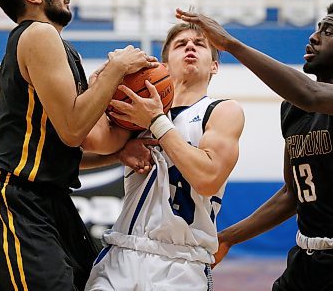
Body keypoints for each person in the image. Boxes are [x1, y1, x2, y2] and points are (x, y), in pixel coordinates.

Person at [176, 0, 333, 290]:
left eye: (328, 31)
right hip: (305, 262)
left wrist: (231, 44)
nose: (314, 36)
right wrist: (227, 237)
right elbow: (291, 194)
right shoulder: (293, 108)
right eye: (318, 28)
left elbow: (309, 93)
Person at [0, 0, 158, 290]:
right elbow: (74, 129)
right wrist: (116, 69)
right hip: (19, 203)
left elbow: (86, 141)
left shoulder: (60, 48)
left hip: (52, 200)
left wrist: (118, 152)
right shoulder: (39, 33)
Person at [84, 22, 245, 291]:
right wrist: (101, 85)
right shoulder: (135, 112)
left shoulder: (222, 111)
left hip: (182, 264)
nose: (190, 47)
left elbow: (207, 179)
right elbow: (87, 145)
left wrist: (157, 121)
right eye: (181, 44)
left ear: (214, 66)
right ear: (165, 65)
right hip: (123, 253)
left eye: (200, 44)